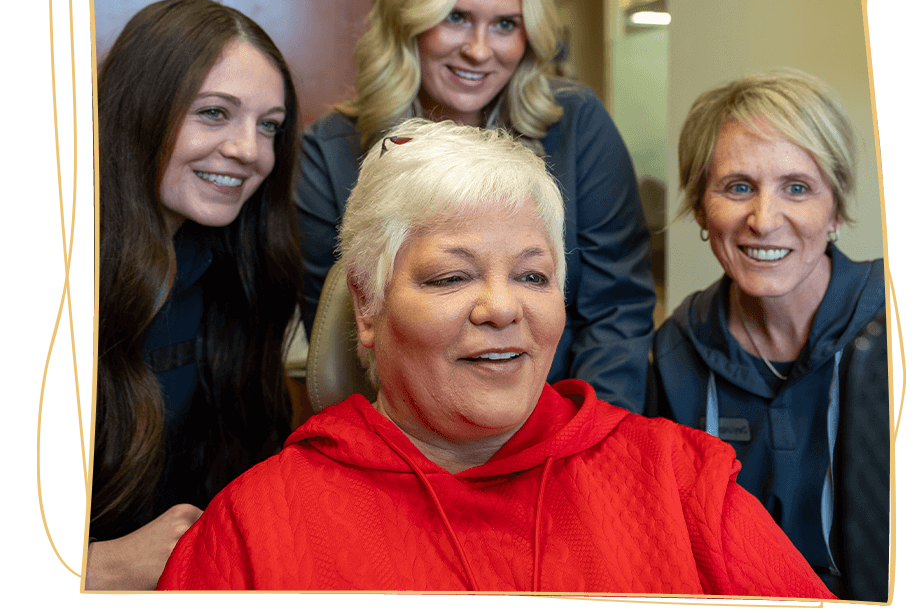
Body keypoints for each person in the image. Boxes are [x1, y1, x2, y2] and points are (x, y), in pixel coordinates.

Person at [158, 119, 833, 596]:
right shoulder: (255, 527)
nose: (501, 308)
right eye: (450, 277)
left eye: (533, 276)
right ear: (366, 307)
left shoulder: (681, 485)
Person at [296, 0, 655, 413]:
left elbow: (617, 309)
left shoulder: (575, 123)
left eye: (505, 24)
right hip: (411, 431)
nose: (480, 51)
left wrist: (588, 441)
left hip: (561, 417)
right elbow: (346, 332)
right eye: (456, 18)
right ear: (407, 20)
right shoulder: (330, 153)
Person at [89, 0, 304, 590]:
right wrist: (95, 567)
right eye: (214, 113)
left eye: (269, 127)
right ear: (139, 109)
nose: (248, 150)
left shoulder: (235, 271)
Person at [650, 69, 889, 601]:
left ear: (836, 210)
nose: (763, 219)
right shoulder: (676, 352)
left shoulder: (887, 328)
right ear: (700, 209)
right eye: (738, 187)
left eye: (797, 188)